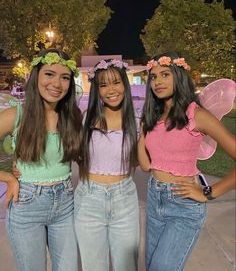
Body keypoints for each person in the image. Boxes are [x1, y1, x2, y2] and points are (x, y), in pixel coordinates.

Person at [138, 52, 236, 271]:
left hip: (183, 204)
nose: (158, 81)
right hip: (155, 198)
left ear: (180, 77)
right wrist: (143, 131)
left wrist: (209, 192)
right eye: (153, 77)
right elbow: (145, 165)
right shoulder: (155, 116)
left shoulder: (197, 115)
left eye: (165, 74)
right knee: (151, 266)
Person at [0, 48, 83, 271]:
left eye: (65, 77)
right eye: (49, 74)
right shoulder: (16, 115)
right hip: (26, 205)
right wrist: (7, 177)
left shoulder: (72, 116)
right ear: (36, 76)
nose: (57, 83)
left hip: (65, 204)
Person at [74, 59, 140, 271]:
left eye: (116, 82)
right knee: (93, 266)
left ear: (125, 84)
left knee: (126, 266)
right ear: (97, 90)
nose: (110, 90)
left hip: (125, 200)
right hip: (89, 200)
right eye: (103, 85)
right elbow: (72, 152)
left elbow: (146, 161)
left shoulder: (138, 121)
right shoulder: (86, 119)